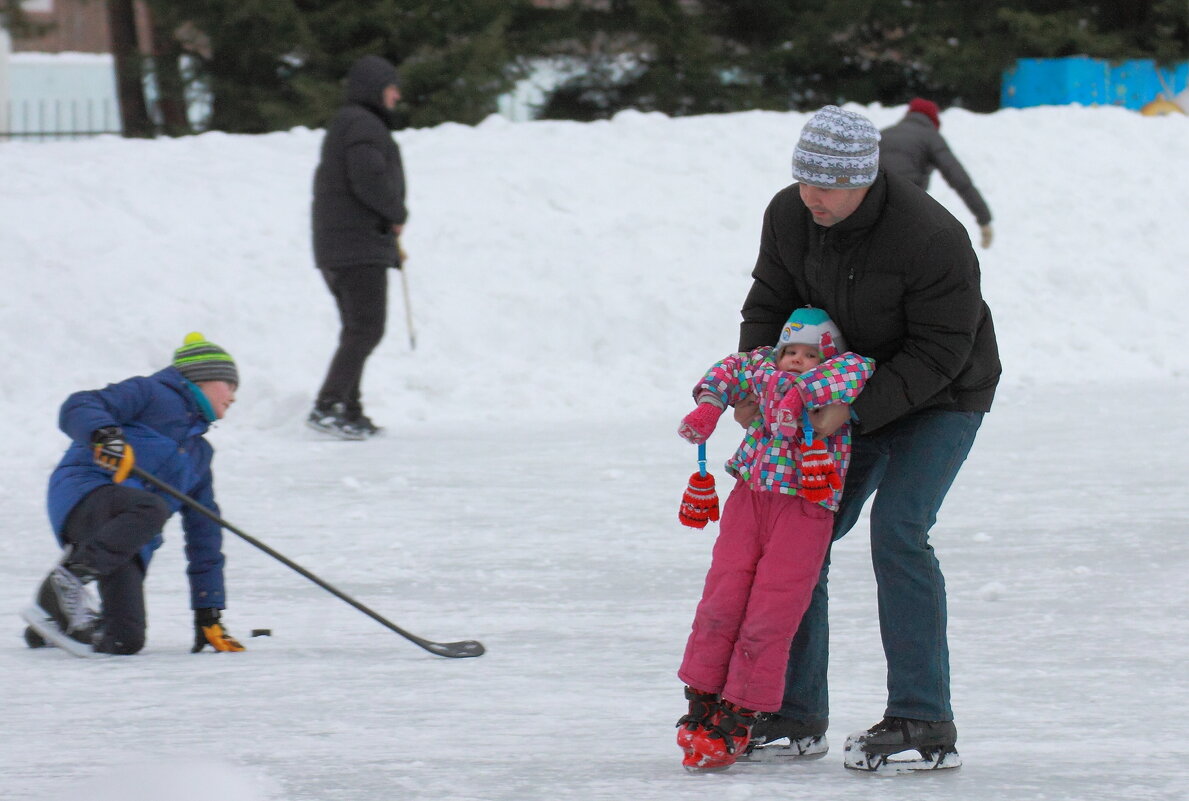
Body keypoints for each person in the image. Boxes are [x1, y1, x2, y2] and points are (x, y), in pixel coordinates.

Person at [735, 105, 1000, 771]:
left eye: (826, 186)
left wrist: (848, 412)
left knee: (899, 530)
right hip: (836, 396)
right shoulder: (789, 215)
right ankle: (794, 710)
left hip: (940, 396)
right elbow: (769, 300)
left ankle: (923, 717)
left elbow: (941, 350)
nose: (811, 196)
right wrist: (755, 379)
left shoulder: (930, 235)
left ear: (864, 178)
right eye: (803, 180)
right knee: (803, 533)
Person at [674, 307, 874, 771]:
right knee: (721, 598)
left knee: (771, 611)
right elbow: (729, 369)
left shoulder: (840, 375)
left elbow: (856, 369)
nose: (798, 360)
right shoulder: (762, 368)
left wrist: (797, 398)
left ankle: (742, 710)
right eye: (792, 351)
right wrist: (710, 403)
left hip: (804, 507)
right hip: (749, 496)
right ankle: (703, 696)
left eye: (811, 354)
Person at [21, 333, 247, 657]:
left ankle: (50, 623)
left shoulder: (200, 455)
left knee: (125, 640)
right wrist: (105, 435)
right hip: (88, 492)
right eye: (231, 386)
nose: (234, 398)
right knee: (150, 506)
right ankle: (65, 584)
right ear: (205, 377)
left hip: (128, 539)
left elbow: (204, 534)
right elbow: (80, 404)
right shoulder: (151, 393)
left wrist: (207, 611)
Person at [308, 54, 408, 440]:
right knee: (366, 329)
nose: (397, 95)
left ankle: (348, 406)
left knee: (357, 329)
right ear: (375, 89)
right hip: (356, 245)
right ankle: (329, 404)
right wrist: (396, 212)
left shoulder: (351, 124)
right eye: (391, 87)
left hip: (343, 245)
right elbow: (369, 180)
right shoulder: (363, 125)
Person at [879, 98, 994, 249]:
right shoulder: (930, 137)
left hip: (874, 206)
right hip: (907, 206)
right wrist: (984, 218)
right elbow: (959, 179)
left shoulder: (882, 134)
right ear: (934, 120)